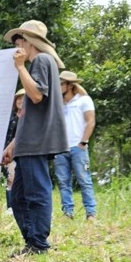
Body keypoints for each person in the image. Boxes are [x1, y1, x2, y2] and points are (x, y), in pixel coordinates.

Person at [0, 21, 67, 255]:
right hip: (28, 142)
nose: (17, 48)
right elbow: (29, 114)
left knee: (37, 193)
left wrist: (20, 67)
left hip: (36, 142)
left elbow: (37, 95)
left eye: (19, 43)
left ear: (30, 42)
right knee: (17, 197)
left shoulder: (41, 60)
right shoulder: (40, 64)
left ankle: (39, 244)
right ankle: (31, 241)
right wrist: (12, 145)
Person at [53, 70, 96, 219]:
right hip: (60, 147)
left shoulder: (84, 100)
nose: (58, 87)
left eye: (61, 84)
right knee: (63, 182)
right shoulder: (58, 103)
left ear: (69, 85)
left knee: (84, 180)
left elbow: (90, 121)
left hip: (78, 146)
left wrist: (83, 142)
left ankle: (90, 212)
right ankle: (67, 212)